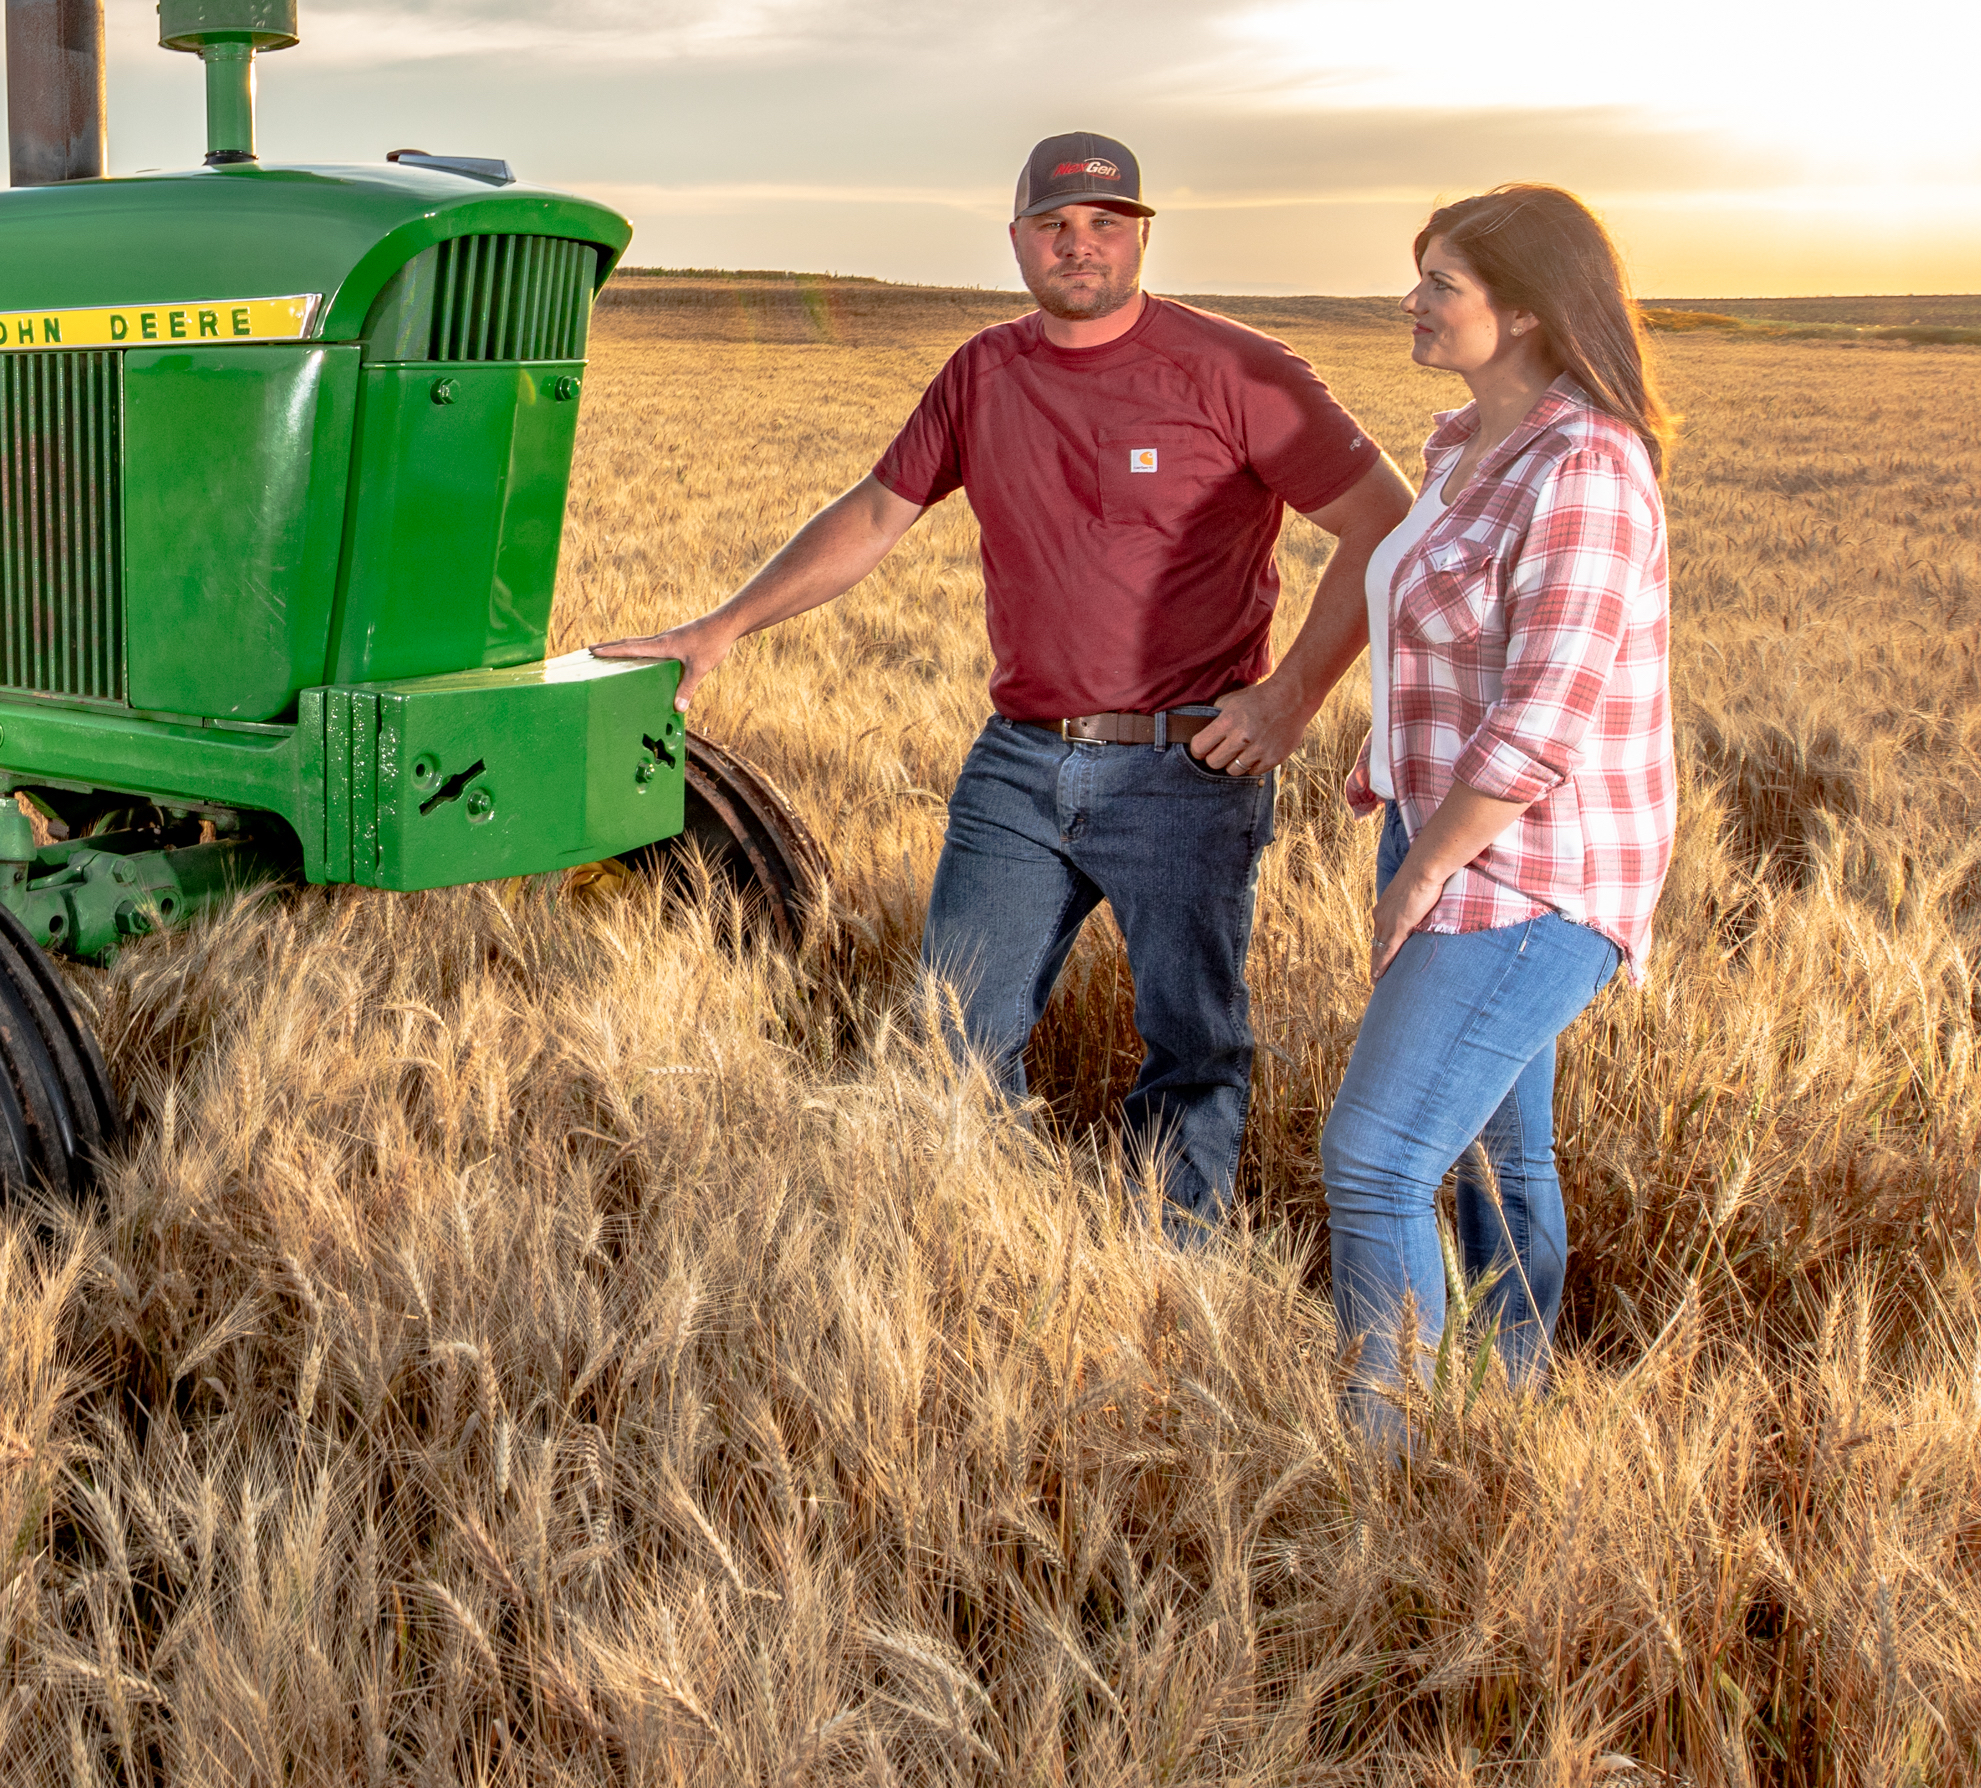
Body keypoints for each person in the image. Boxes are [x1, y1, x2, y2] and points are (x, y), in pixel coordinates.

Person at [601, 132, 1412, 1222]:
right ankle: (986, 1245)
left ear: (1140, 235)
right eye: (1053, 225)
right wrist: (724, 626)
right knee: (952, 1031)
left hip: (1185, 766)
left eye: (1104, 224)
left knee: (1193, 1044)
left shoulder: (1237, 370)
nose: (1078, 246)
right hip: (1020, 764)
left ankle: (1175, 1271)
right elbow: (875, 512)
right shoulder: (984, 371)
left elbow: (1386, 522)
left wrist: (1290, 696)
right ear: (1020, 237)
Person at [1323, 181, 1678, 1438]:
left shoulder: (1586, 468)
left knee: (1376, 1160)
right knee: (1491, 1155)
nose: (1412, 303)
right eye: (1417, 277)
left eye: (1441, 285)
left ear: (1526, 312)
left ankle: (1395, 1462)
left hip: (1529, 870)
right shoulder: (1458, 444)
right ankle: (1502, 1419)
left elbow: (1544, 716)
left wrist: (1425, 868)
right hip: (1440, 836)